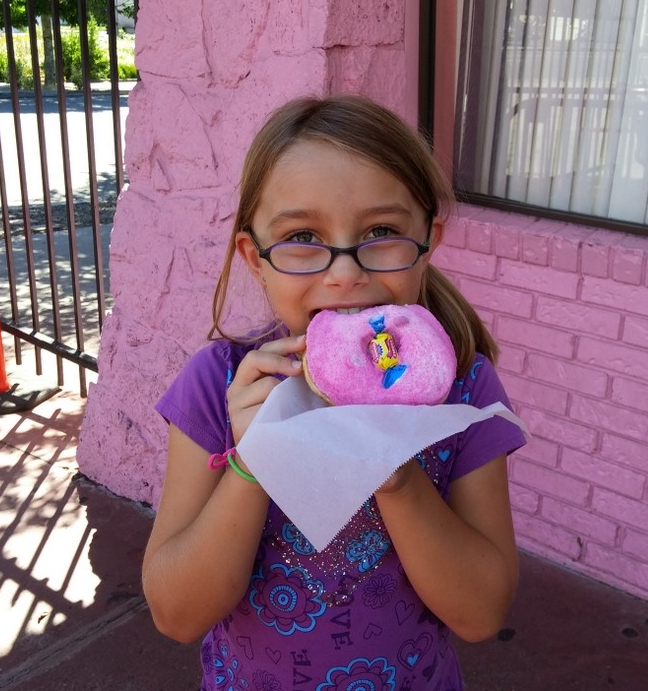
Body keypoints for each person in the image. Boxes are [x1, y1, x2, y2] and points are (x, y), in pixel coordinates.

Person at [142, 95, 528, 690]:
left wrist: (392, 472)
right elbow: (177, 613)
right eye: (302, 235)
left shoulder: (465, 394)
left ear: (428, 243)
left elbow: (479, 615)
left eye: (382, 232)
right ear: (255, 258)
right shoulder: (217, 386)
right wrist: (253, 460)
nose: (345, 272)